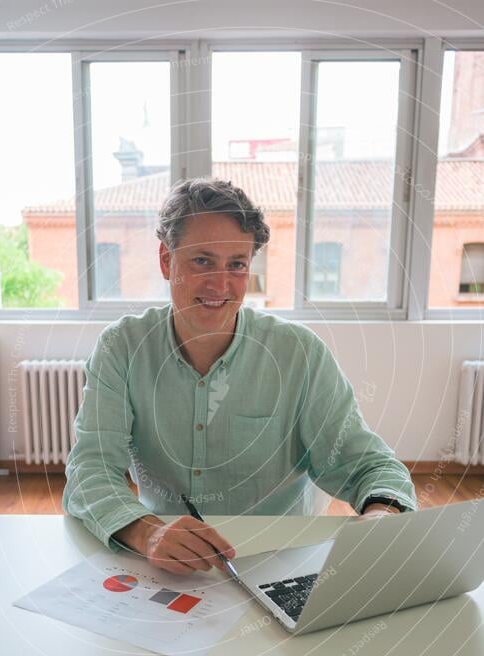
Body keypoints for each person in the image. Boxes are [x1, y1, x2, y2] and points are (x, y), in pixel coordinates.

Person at [63, 178, 416, 576]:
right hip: (166, 565)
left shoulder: (298, 353)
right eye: (202, 261)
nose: (221, 285)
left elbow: (369, 465)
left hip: (282, 562)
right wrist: (148, 533)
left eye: (237, 265)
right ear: (166, 260)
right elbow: (90, 469)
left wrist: (382, 518)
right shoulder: (120, 348)